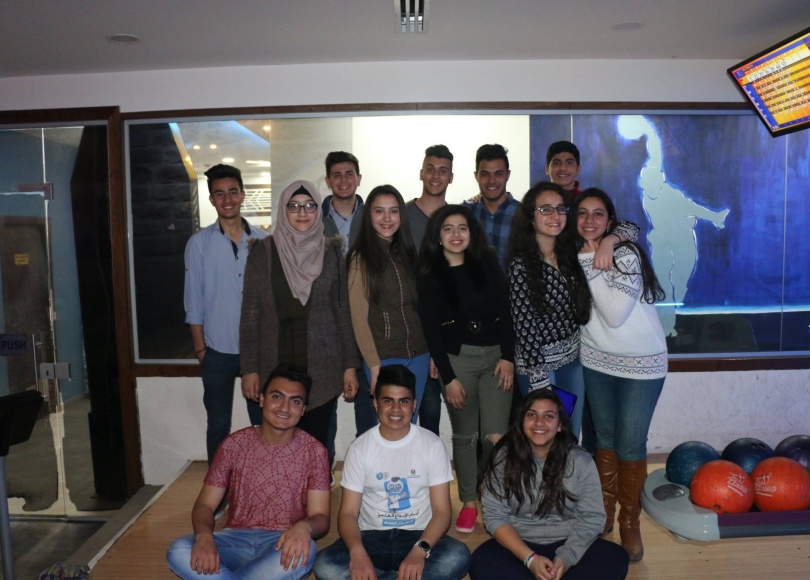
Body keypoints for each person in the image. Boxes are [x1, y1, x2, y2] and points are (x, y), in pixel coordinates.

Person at [166, 365, 331, 580]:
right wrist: (204, 537)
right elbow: (205, 505)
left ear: (303, 409)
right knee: (179, 549)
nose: (284, 407)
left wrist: (303, 528)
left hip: (281, 543)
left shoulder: (315, 451)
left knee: (305, 549)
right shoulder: (234, 444)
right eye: (276, 396)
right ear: (262, 399)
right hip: (233, 540)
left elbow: (321, 517)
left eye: (295, 401)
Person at [573, 188, 667, 561]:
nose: (590, 221)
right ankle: (604, 515)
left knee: (629, 444)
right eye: (582, 213)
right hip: (596, 361)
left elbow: (613, 314)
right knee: (605, 441)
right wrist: (590, 251)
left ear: (610, 221)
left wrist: (599, 250)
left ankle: (630, 523)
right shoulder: (574, 251)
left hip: (641, 364)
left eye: (599, 215)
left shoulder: (625, 254)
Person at [240, 180, 360, 470]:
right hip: (273, 366)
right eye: (294, 206)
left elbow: (343, 312)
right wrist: (249, 369)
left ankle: (315, 508)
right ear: (284, 210)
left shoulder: (331, 253)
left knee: (317, 447)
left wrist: (349, 366)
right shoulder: (263, 252)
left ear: (319, 210)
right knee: (274, 447)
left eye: (309, 206)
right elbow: (250, 315)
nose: (302, 213)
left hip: (322, 367)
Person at [312, 364, 471, 580]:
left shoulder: (431, 444)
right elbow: (348, 514)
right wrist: (357, 553)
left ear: (413, 405)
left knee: (457, 556)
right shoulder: (360, 448)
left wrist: (419, 551)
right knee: (325, 566)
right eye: (388, 401)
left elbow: (442, 512)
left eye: (403, 401)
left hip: (418, 536)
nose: (396, 410)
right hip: (370, 538)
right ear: (376, 403)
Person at [416, 204, 514, 534]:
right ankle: (470, 502)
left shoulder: (487, 264)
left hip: (496, 360)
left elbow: (507, 313)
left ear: (471, 233)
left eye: (462, 228)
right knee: (465, 435)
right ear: (438, 237)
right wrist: (448, 376)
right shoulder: (430, 274)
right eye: (448, 229)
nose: (456, 235)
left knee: (496, 436)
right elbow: (432, 330)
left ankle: (496, 498)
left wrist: (508, 357)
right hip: (458, 361)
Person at [469, 389, 629, 580]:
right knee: (480, 563)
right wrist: (530, 559)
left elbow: (592, 518)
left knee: (616, 559)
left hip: (569, 541)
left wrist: (565, 558)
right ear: (521, 421)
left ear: (560, 424)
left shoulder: (580, 460)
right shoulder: (502, 458)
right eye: (531, 415)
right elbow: (495, 518)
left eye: (549, 416)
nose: (539, 423)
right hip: (518, 544)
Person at [183, 163, 268, 464]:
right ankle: (218, 493)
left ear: (243, 194)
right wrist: (201, 350)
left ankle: (261, 486)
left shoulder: (262, 241)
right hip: (216, 350)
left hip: (256, 352)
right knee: (218, 426)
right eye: (219, 194)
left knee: (264, 426)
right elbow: (193, 301)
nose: (227, 199)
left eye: (233, 192)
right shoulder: (199, 243)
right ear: (211, 200)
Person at [507, 182, 591, 438]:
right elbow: (524, 325)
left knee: (570, 432)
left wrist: (611, 241)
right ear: (530, 218)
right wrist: (538, 376)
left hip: (572, 361)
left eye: (560, 209)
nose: (555, 216)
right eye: (545, 209)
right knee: (544, 435)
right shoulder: (520, 265)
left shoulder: (571, 253)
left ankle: (567, 480)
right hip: (539, 365)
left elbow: (629, 228)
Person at [347, 185, 431, 420]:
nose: (387, 218)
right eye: (379, 211)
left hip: (420, 354)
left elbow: (421, 308)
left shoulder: (408, 252)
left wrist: (433, 352)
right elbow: (358, 319)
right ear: (368, 216)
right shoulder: (360, 258)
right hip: (384, 357)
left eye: (393, 211)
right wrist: (374, 366)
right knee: (390, 427)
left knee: (410, 424)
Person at [322, 151, 375, 471]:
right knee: (325, 400)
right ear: (328, 180)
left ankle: (365, 470)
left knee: (369, 400)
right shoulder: (314, 219)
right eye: (337, 174)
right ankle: (322, 468)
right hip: (327, 324)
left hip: (367, 321)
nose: (344, 179)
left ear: (359, 177)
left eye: (349, 173)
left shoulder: (374, 215)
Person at [405, 144, 456, 437]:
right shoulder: (402, 215)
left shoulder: (458, 218)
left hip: (445, 325)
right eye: (431, 169)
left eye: (443, 171)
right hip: (409, 325)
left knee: (432, 410)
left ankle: (431, 476)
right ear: (421, 172)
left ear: (451, 176)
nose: (436, 176)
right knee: (408, 403)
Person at [464, 144, 520, 269]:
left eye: (498, 174)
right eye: (485, 174)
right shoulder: (465, 213)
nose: (491, 180)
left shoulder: (524, 215)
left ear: (508, 175)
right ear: (476, 176)